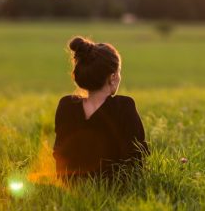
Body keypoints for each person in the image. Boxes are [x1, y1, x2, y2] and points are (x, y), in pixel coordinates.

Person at [53, 36, 149, 183]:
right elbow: (136, 156)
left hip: (71, 186)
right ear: (113, 77)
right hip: (116, 188)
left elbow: (59, 152)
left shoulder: (66, 105)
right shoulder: (124, 106)